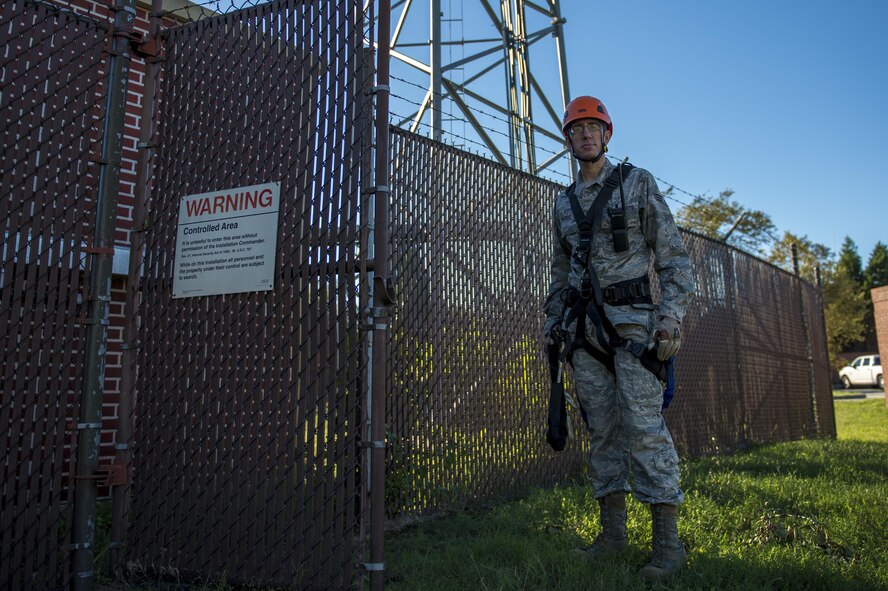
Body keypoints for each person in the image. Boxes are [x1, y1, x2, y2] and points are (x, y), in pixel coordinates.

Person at [543, 95, 695, 581]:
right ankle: (612, 537)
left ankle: (668, 547)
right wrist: (554, 324)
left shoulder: (636, 184)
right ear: (568, 139)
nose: (586, 134)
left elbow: (673, 259)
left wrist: (670, 318)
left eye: (594, 127)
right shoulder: (563, 205)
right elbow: (560, 272)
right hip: (585, 334)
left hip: (635, 329)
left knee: (643, 429)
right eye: (577, 128)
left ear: (607, 135)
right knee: (603, 432)